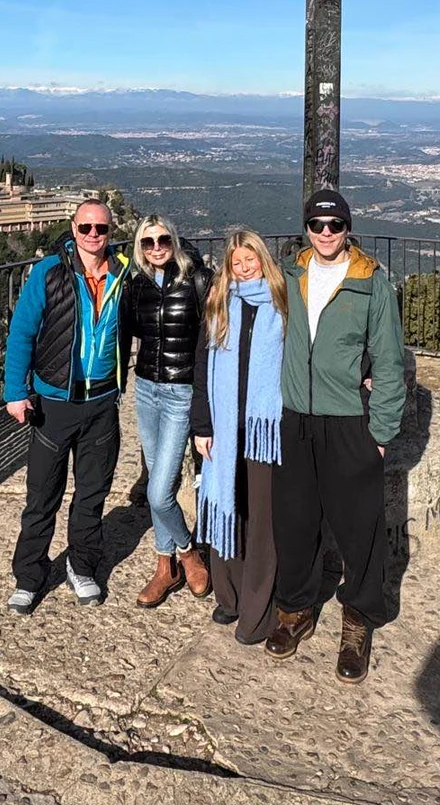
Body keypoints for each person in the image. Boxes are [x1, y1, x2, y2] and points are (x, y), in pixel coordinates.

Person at [266, 188, 406, 684]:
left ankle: (358, 620)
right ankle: (295, 609)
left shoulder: (372, 285)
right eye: (317, 225)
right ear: (306, 228)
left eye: (335, 225)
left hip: (347, 419)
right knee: (294, 522)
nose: (326, 233)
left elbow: (389, 362)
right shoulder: (288, 275)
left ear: (348, 229)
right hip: (294, 417)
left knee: (359, 528)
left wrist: (381, 432)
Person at [2, 198, 130, 614]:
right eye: (85, 227)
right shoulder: (49, 272)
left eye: (101, 228)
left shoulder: (124, 272)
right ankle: (29, 576)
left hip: (102, 402)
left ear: (110, 232)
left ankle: (82, 567)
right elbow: (22, 332)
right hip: (54, 401)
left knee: (92, 495)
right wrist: (15, 392)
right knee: (42, 496)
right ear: (73, 229)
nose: (93, 235)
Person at [192, 229, 288, 645]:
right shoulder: (220, 304)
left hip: (265, 430)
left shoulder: (282, 303)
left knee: (262, 520)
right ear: (228, 268)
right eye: (237, 262)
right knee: (226, 503)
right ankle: (229, 594)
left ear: (263, 260)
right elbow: (201, 367)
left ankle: (257, 612)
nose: (245, 268)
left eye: (251, 259)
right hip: (224, 427)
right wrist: (202, 425)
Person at [121, 215, 212, 607]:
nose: (156, 247)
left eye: (162, 240)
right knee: (159, 479)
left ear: (174, 241)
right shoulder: (136, 285)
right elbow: (127, 333)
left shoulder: (197, 280)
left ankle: (187, 553)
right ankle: (165, 565)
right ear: (139, 248)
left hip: (180, 393)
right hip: (146, 390)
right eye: (147, 242)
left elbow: (211, 339)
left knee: (159, 492)